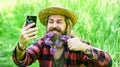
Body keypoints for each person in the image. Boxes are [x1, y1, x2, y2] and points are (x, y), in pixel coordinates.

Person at [12, 5, 112, 67]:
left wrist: (84, 47)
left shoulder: (77, 45)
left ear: (68, 26)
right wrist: (21, 45)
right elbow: (21, 62)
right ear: (47, 26)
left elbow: (106, 63)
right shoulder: (42, 43)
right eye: (51, 22)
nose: (54, 25)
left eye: (59, 22)